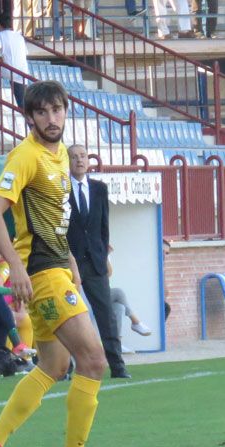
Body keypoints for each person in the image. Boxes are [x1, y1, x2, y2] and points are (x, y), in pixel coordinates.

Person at [0, 80, 118, 447]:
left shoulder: (59, 159)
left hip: (55, 269)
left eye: (57, 110)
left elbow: (54, 222)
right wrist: (15, 265)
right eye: (42, 112)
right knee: (93, 360)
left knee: (54, 365)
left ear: (65, 112)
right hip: (42, 273)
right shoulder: (27, 156)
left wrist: (71, 261)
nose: (51, 119)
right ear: (30, 117)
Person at [66, 144, 129, 379]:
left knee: (106, 315)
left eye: (82, 156)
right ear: (67, 161)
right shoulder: (60, 190)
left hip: (95, 262)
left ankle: (118, 365)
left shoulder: (100, 189)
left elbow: (104, 227)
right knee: (69, 316)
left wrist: (102, 255)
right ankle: (67, 367)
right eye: (74, 157)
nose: (79, 160)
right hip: (69, 262)